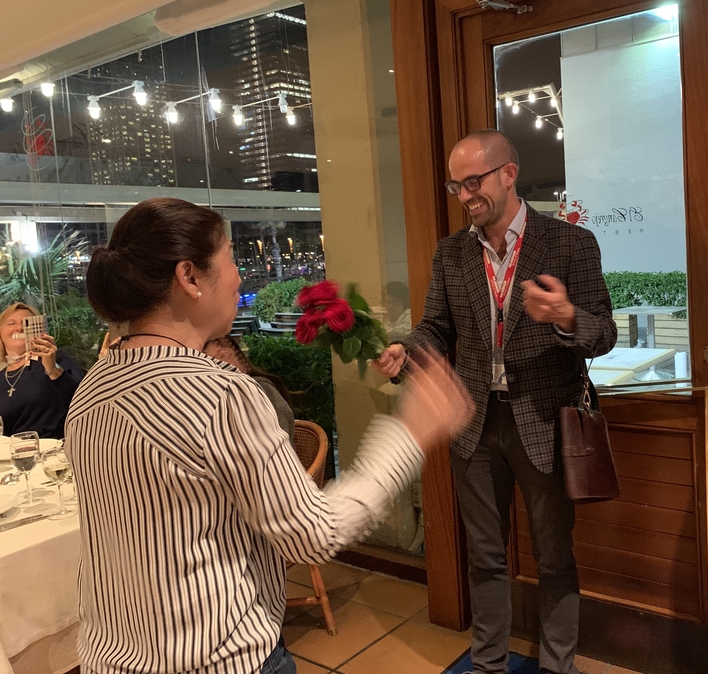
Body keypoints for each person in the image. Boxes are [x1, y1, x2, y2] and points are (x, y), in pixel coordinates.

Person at [66, 197, 472, 674]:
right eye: (231, 258)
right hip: (218, 660)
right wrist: (409, 433)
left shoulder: (92, 386)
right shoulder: (220, 394)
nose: (239, 276)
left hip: (110, 659)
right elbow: (313, 536)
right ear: (189, 278)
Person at [374, 130, 617, 674]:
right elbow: (437, 327)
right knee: (484, 556)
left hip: (545, 419)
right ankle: (487, 665)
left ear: (509, 174)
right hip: (474, 424)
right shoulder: (453, 252)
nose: (464, 195)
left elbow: (603, 334)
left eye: (473, 181)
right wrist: (403, 351)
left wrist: (566, 318)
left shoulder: (570, 244)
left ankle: (558, 665)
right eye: (456, 185)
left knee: (554, 555)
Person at [0, 302, 83, 438]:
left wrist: (53, 368)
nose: (19, 328)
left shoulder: (57, 358)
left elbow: (80, 398)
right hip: (16, 453)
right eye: (11, 323)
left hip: (55, 449)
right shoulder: (2, 378)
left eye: (27, 323)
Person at [203, 334, 296, 442]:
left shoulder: (260, 388)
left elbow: (278, 438)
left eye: (223, 356)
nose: (222, 364)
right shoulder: (215, 397)